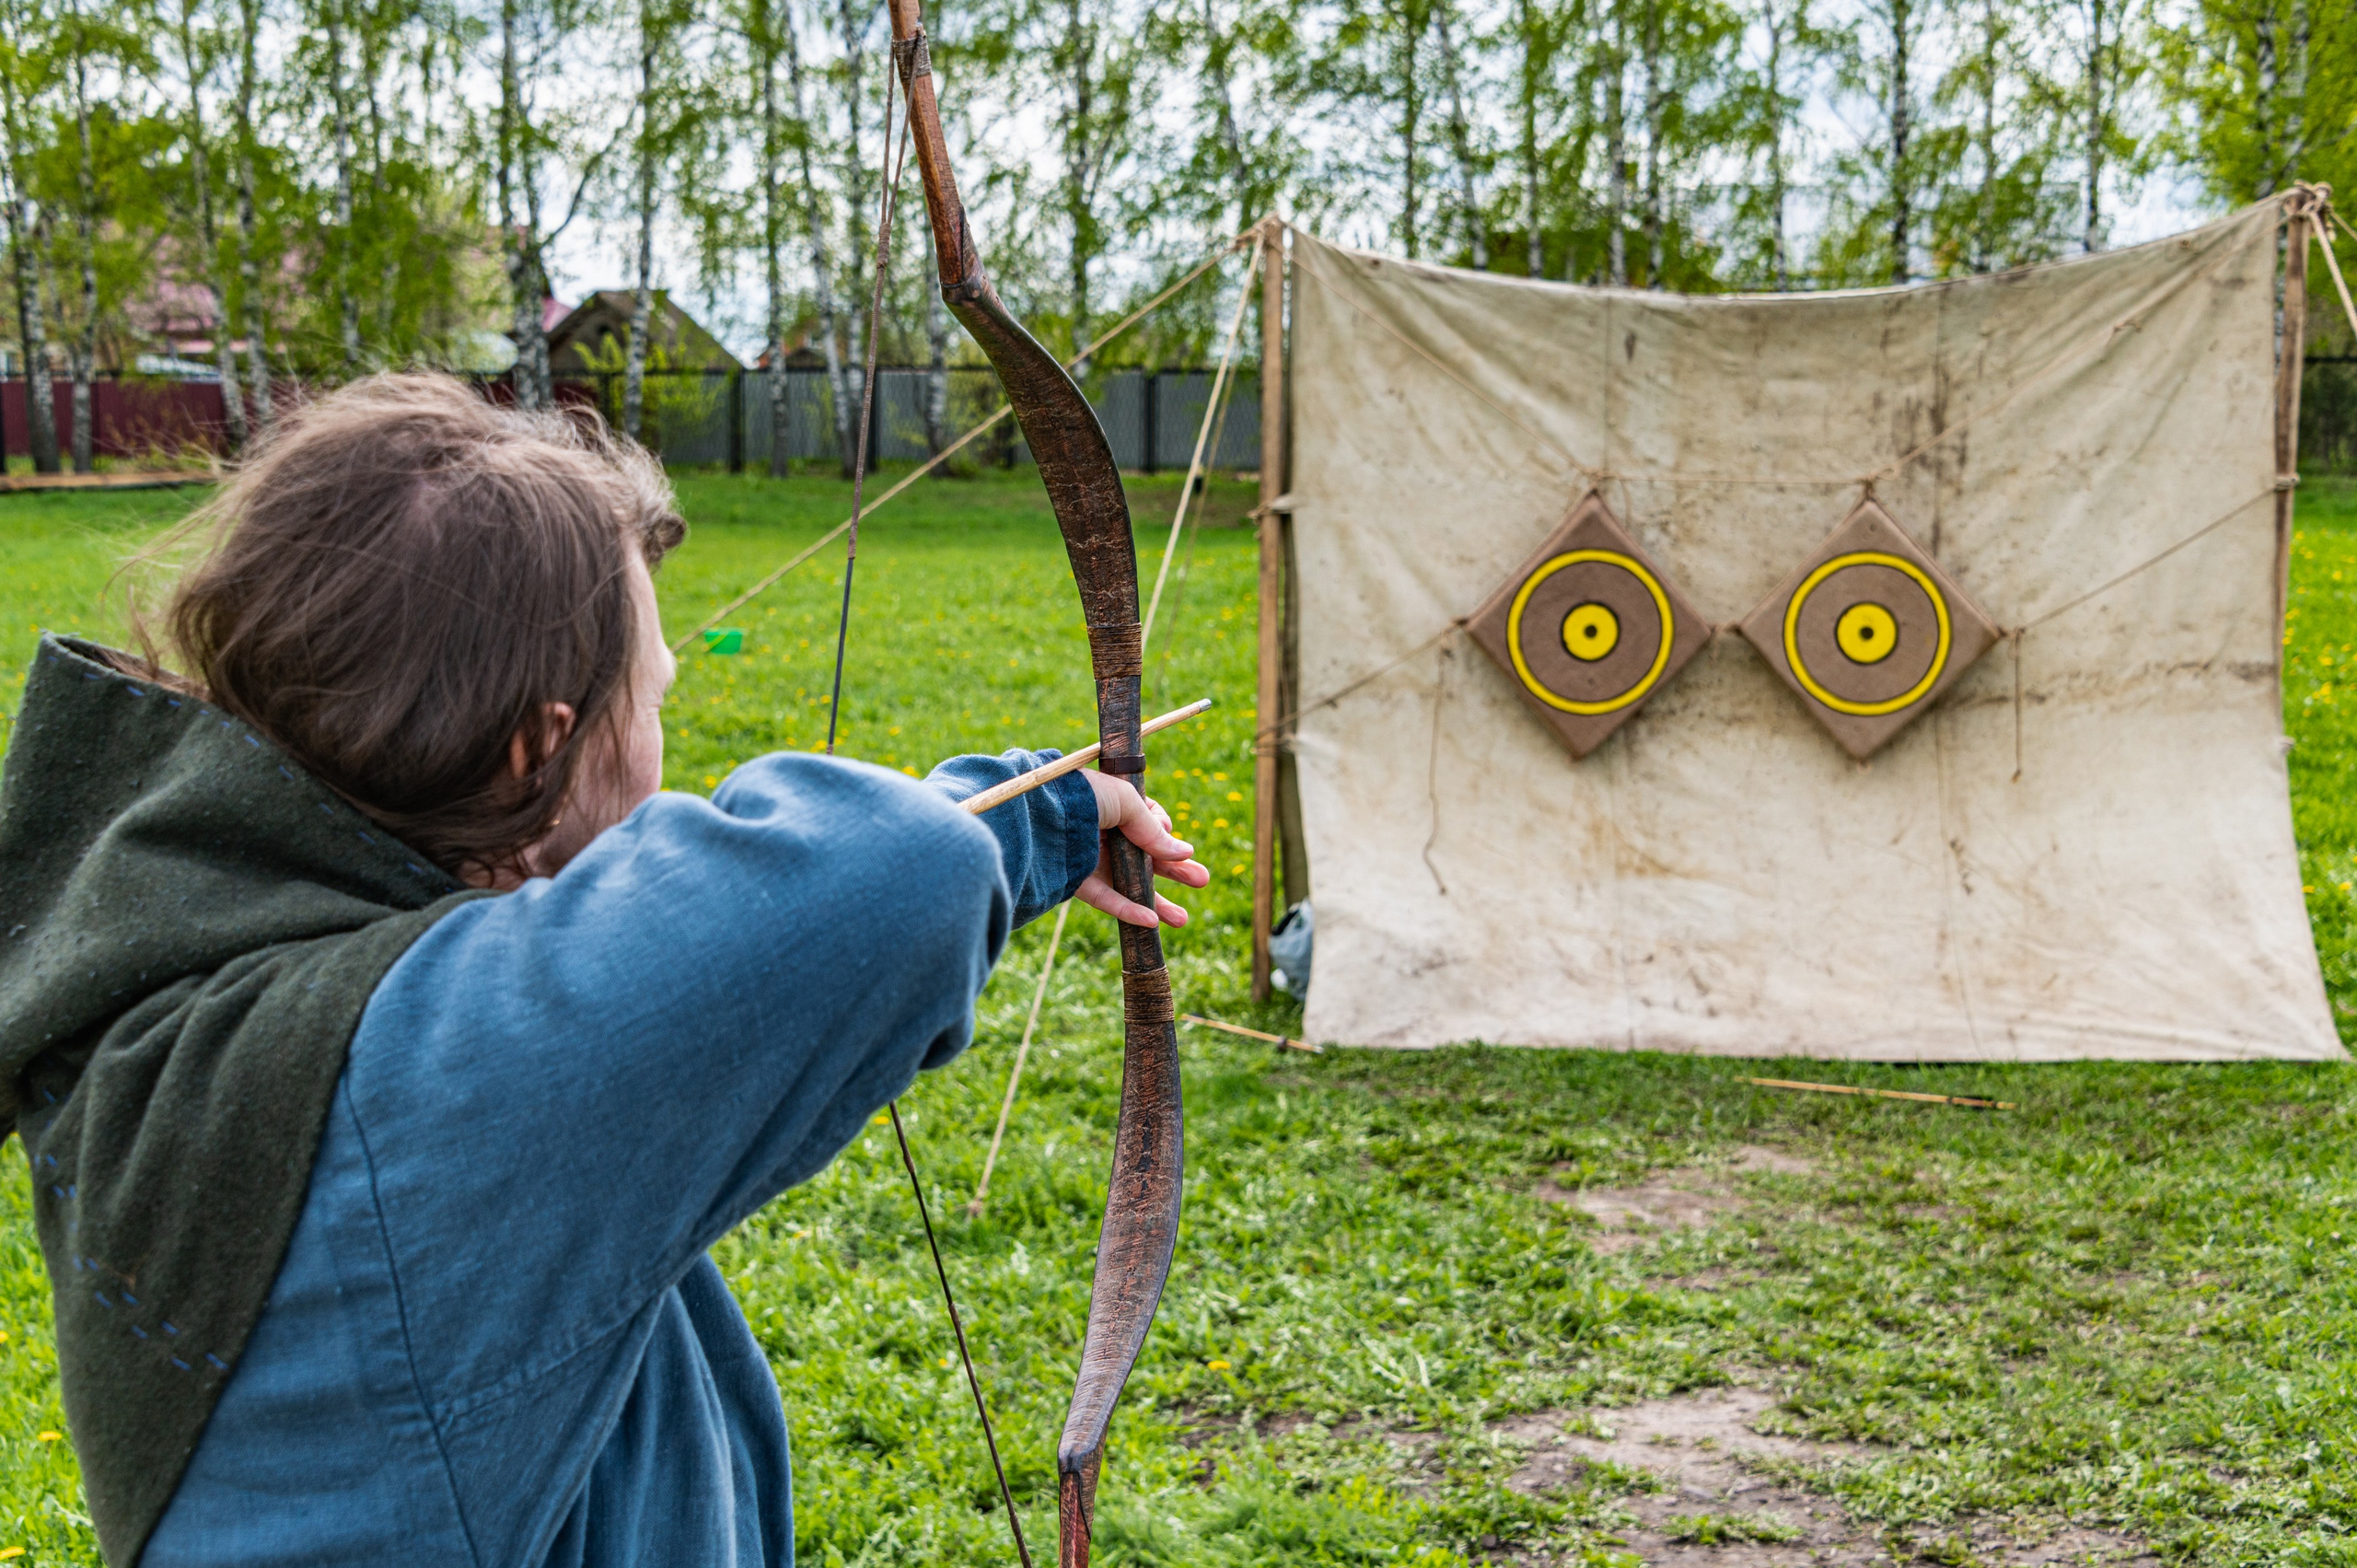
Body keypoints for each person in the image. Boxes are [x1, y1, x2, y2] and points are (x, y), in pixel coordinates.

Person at [0, 374, 1205, 1568]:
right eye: (655, 695)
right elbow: (899, 872)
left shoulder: (187, 971)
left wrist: (1039, 819)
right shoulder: (421, 1086)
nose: (667, 743)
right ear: (538, 744)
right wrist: (1020, 823)